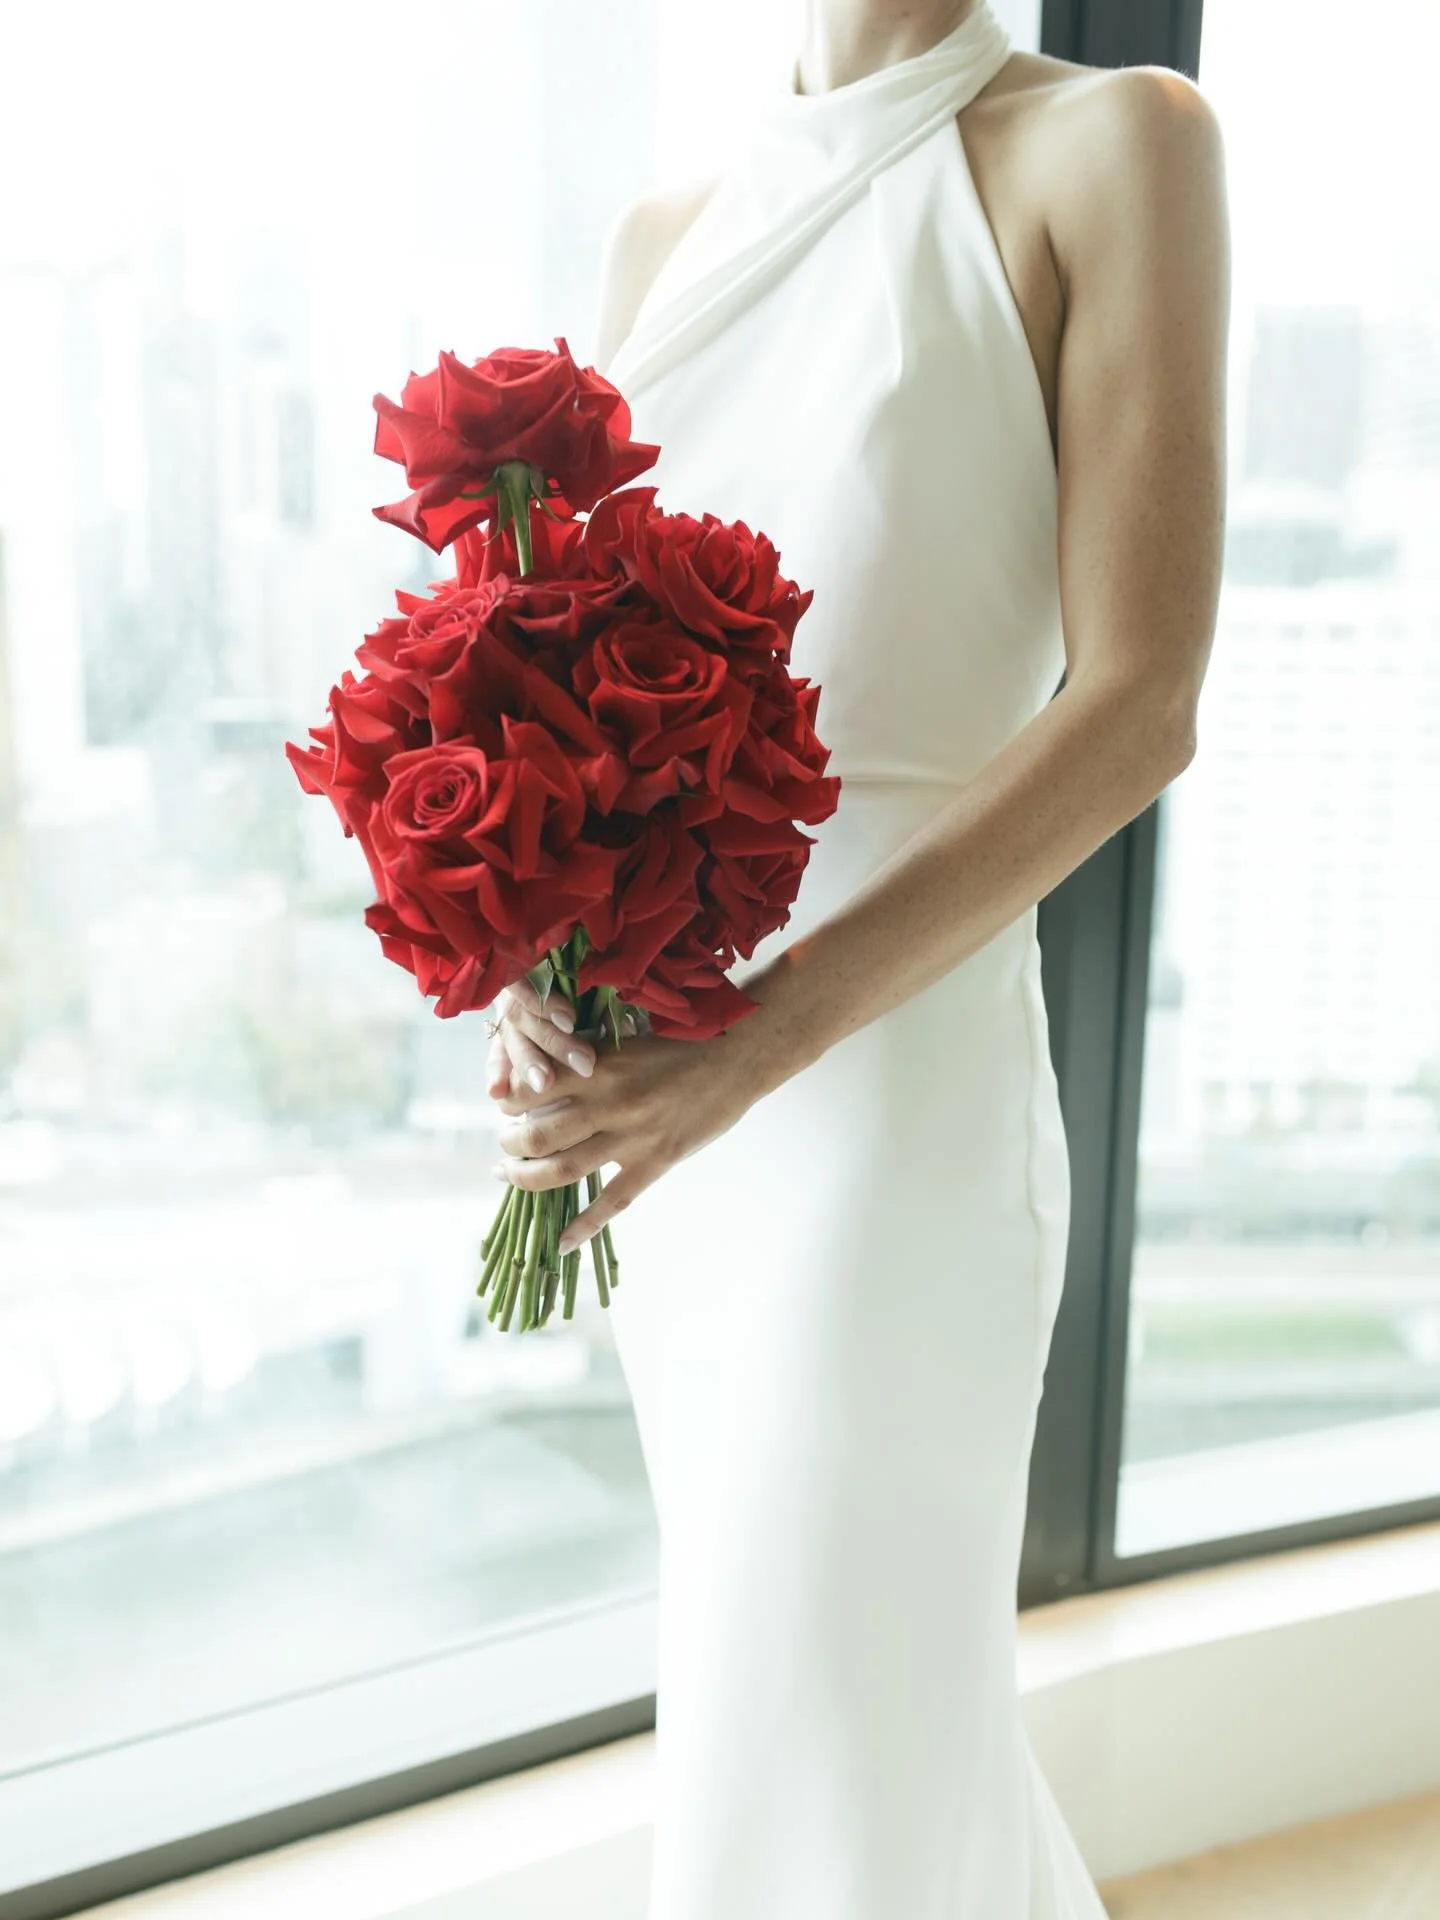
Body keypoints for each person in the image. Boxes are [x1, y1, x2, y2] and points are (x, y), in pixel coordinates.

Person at [486, 0, 1229, 1912]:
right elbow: (569, 697)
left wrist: (756, 1043)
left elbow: (1139, 703)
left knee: (835, 1711)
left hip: (885, 1093)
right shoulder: (663, 235)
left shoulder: (1117, 142)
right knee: (803, 1718)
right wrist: (535, 954)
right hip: (676, 1106)